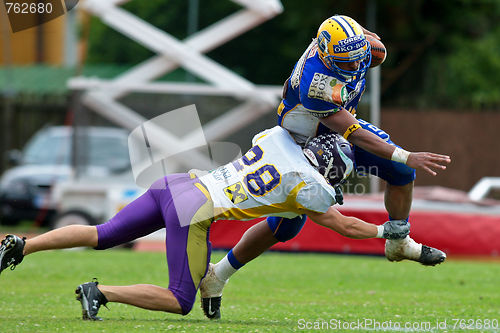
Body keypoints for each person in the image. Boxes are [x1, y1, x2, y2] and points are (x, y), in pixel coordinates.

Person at [0, 126, 413, 321]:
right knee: (180, 299)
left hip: (179, 182)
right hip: (195, 210)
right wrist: (385, 231)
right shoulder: (313, 189)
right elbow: (342, 225)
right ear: (332, 170)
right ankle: (99, 291)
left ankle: (21, 244)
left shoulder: (278, 139)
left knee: (102, 234)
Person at [199, 15, 452, 319]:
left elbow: (366, 45)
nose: (356, 66)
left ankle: (399, 242)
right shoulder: (317, 84)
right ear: (325, 55)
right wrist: (405, 153)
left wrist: (366, 43)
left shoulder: (352, 47)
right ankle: (218, 275)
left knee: (400, 173)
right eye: (346, 62)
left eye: (359, 57)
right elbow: (352, 132)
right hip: (302, 141)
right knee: (287, 224)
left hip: (332, 134)